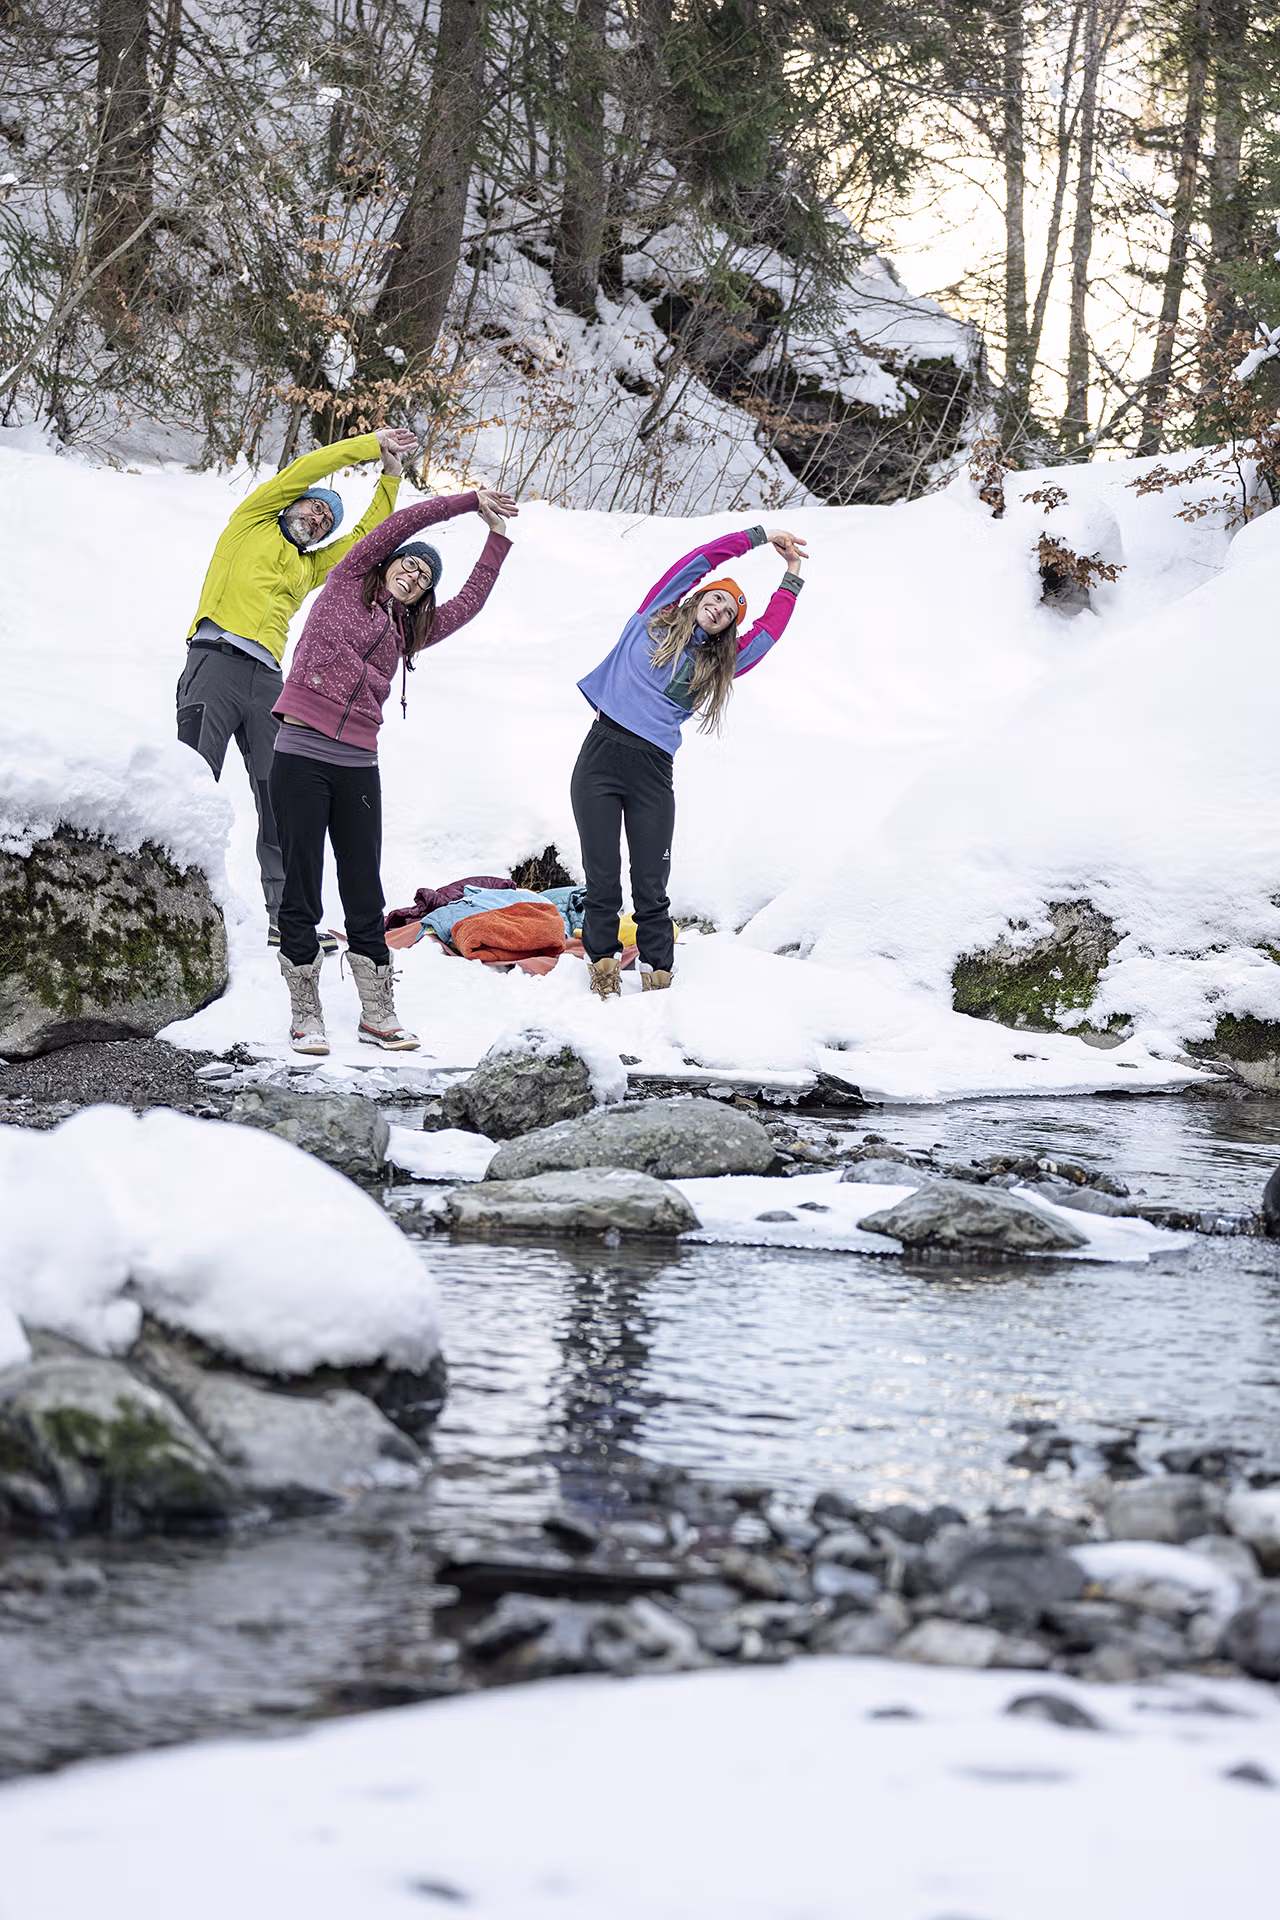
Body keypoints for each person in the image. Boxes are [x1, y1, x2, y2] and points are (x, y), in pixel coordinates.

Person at [269, 487, 518, 1054]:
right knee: (302, 882)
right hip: (301, 751)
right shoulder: (347, 584)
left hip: (358, 762)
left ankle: (377, 1012)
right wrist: (469, 501)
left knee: (363, 886)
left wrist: (497, 540)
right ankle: (306, 1009)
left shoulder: (409, 630)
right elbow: (402, 520)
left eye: (424, 579)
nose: (414, 577)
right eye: (409, 565)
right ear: (388, 563)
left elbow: (470, 602)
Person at [176, 425, 418, 944]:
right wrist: (368, 445)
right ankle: (172, 905)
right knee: (191, 780)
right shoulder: (251, 524)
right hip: (216, 660)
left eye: (326, 521)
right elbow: (303, 471)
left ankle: (286, 921)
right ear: (292, 506)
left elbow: (367, 546)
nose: (318, 519)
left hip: (270, 683)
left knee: (278, 798)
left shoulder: (308, 569)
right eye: (313, 509)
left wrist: (390, 479)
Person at [572, 523, 807, 998]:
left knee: (651, 885)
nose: (718, 609)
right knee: (601, 880)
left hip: (653, 773)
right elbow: (701, 559)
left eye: (727, 612)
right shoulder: (652, 616)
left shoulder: (720, 665)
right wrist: (757, 536)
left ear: (727, 627)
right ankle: (602, 966)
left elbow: (769, 631)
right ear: (697, 599)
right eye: (715, 599)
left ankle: (658, 974)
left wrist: (792, 577)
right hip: (600, 756)